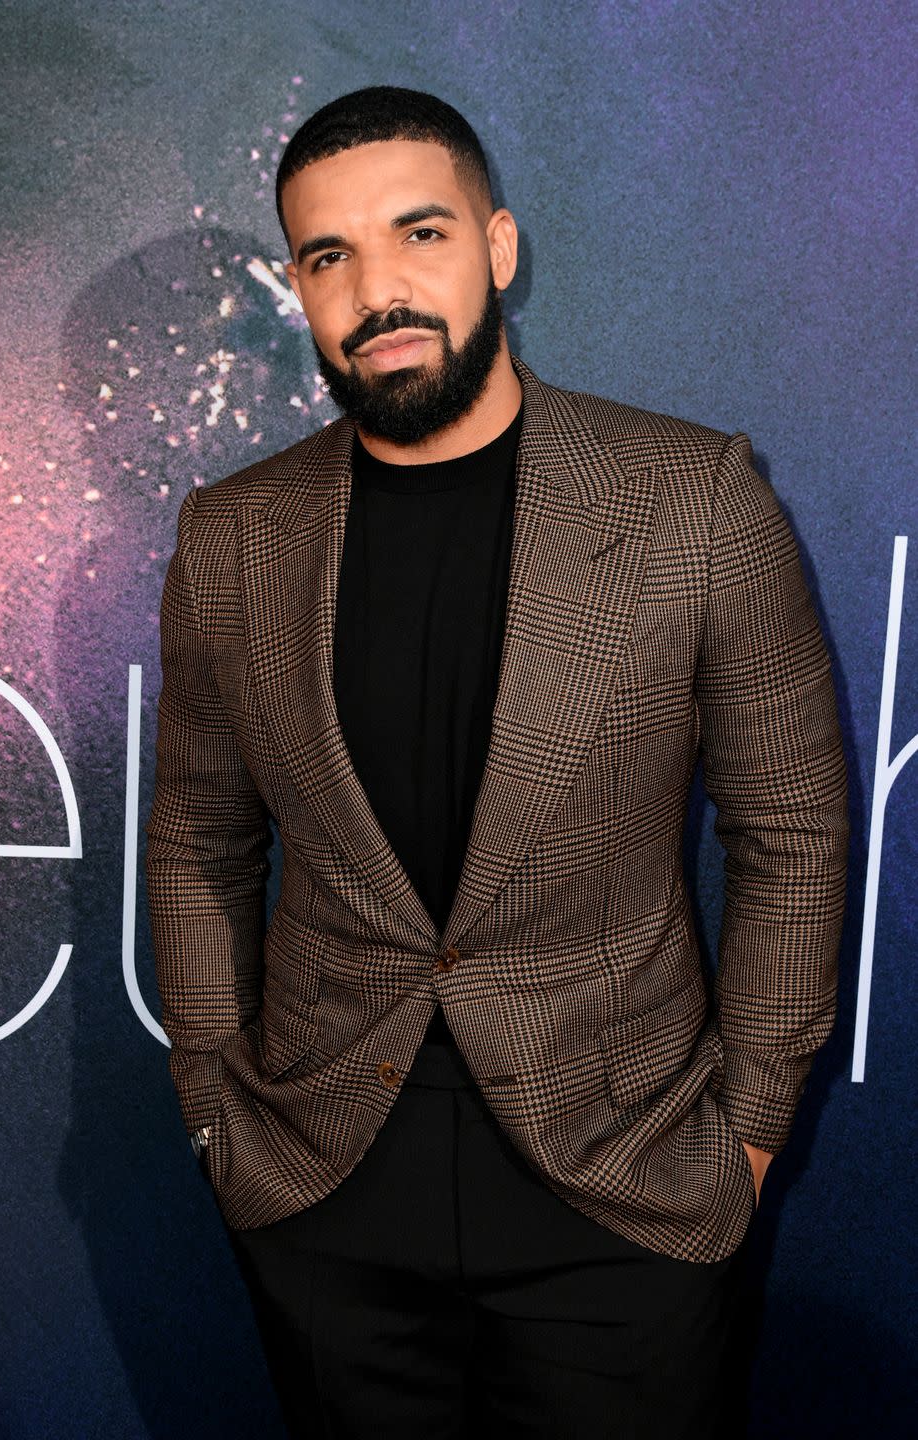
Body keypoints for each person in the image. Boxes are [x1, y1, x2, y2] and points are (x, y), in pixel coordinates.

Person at [145, 86, 848, 1439]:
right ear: (296, 286)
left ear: (501, 245)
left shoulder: (693, 500)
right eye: (328, 255)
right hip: (324, 1198)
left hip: (625, 1191)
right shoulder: (234, 537)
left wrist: (745, 1140)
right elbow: (194, 838)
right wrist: (216, 1111)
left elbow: (796, 832)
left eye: (420, 233)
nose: (379, 290)